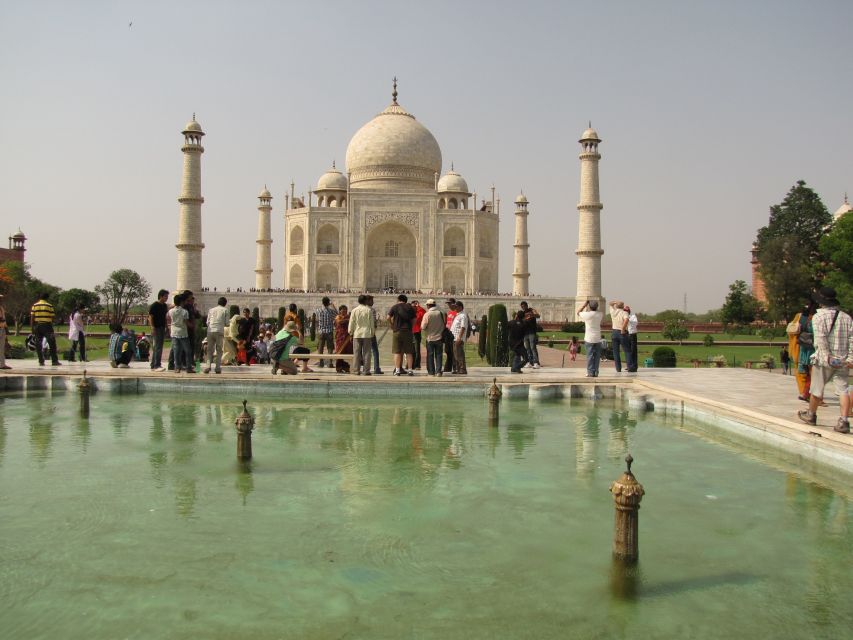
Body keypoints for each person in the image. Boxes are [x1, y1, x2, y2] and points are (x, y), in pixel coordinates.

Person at [797, 287, 852, 434]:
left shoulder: (818, 317)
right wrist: (850, 358)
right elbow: (852, 339)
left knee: (816, 389)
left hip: (824, 360)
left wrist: (827, 357)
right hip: (843, 360)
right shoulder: (846, 317)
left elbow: (820, 339)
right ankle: (844, 421)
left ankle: (811, 415)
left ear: (821, 302)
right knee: (843, 390)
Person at [789, 301, 817, 401]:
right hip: (812, 347)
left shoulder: (799, 316)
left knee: (802, 371)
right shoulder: (815, 318)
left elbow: (791, 331)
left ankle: (804, 392)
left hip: (800, 346)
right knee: (813, 372)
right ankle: (808, 393)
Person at [388, 294, 416, 376]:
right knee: (409, 352)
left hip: (397, 331)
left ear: (398, 299)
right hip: (408, 331)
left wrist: (392, 325)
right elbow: (414, 319)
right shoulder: (410, 307)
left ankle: (397, 370)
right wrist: (411, 326)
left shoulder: (395, 307)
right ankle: (410, 370)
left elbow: (388, 317)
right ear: (406, 300)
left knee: (397, 351)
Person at [30, 291, 60, 367]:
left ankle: (41, 361)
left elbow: (32, 317)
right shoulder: (49, 306)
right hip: (47, 326)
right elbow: (52, 317)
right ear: (47, 298)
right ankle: (54, 361)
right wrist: (54, 322)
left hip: (37, 326)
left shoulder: (35, 305)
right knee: (52, 343)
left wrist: (32, 328)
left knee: (38, 343)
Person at [349, 294, 374, 375]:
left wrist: (350, 333)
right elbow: (372, 324)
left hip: (357, 334)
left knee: (356, 353)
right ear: (365, 301)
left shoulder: (354, 310)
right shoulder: (369, 310)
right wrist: (372, 333)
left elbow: (351, 322)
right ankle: (366, 370)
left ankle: (356, 370)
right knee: (367, 353)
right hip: (366, 334)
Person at [578, 300, 604, 377]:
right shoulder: (600, 314)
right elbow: (598, 311)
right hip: (597, 338)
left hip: (589, 338)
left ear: (589, 307)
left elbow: (578, 312)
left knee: (590, 356)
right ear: (597, 307)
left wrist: (584, 305)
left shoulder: (587, 315)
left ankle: (590, 372)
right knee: (597, 356)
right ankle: (596, 372)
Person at [420, 298, 445, 376]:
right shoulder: (441, 313)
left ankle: (431, 372)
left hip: (430, 338)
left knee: (430, 355)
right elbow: (444, 324)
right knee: (439, 355)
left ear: (428, 305)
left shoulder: (427, 314)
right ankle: (438, 371)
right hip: (440, 337)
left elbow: (423, 327)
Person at [204, 296, 229, 374]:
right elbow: (227, 323)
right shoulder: (225, 310)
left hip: (210, 330)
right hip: (219, 331)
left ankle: (208, 366)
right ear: (225, 304)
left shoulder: (211, 310)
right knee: (219, 350)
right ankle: (217, 368)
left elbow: (207, 322)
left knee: (209, 350)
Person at [168, 292, 192, 373]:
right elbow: (186, 322)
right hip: (183, 332)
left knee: (176, 351)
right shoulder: (184, 311)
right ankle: (188, 367)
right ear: (182, 302)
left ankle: (177, 367)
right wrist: (191, 325)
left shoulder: (171, 311)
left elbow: (168, 318)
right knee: (187, 350)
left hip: (174, 332)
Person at [148, 289, 169, 372]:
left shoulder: (164, 306)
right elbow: (150, 317)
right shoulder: (154, 305)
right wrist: (152, 327)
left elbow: (165, 317)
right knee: (157, 347)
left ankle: (154, 364)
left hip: (162, 327)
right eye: (165, 296)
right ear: (161, 296)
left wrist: (166, 326)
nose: (167, 298)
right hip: (156, 328)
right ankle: (157, 365)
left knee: (158, 346)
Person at [314, 296, 337, 368]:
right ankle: (330, 363)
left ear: (322, 303)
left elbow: (316, 319)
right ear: (328, 303)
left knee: (320, 347)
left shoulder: (318, 311)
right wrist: (333, 305)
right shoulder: (331, 311)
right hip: (329, 331)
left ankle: (321, 362)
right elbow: (337, 315)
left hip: (321, 331)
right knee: (330, 348)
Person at [608, 301, 629, 373]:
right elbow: (626, 320)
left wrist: (615, 302)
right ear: (623, 306)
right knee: (627, 350)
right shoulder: (624, 313)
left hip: (614, 332)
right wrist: (623, 329)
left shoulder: (613, 312)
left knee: (616, 352)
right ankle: (629, 367)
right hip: (622, 332)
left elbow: (610, 303)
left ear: (616, 306)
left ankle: (618, 369)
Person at [449, 300, 469, 375]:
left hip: (458, 338)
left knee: (459, 354)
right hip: (454, 337)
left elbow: (463, 327)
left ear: (460, 307)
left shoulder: (463, 316)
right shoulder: (458, 315)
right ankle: (458, 369)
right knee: (456, 354)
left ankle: (462, 369)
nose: (455, 308)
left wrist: (459, 337)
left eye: (456, 307)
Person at [519, 301, 541, 369]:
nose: (523, 308)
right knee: (527, 349)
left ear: (526, 306)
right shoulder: (522, 313)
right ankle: (530, 362)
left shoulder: (531, 310)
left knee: (533, 347)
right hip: (525, 333)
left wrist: (532, 315)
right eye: (522, 307)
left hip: (532, 332)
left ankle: (536, 363)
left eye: (524, 306)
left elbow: (538, 316)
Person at [508, 309, 529, 373]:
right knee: (526, 358)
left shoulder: (511, 322)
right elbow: (526, 331)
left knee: (518, 354)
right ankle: (517, 367)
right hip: (519, 344)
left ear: (516, 315)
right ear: (523, 317)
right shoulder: (524, 324)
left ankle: (514, 368)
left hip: (511, 343)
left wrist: (515, 319)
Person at [367, 295, 383, 374]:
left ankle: (362, 368)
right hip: (370, 333)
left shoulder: (357, 309)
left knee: (363, 351)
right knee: (375, 351)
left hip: (361, 334)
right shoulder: (371, 310)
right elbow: (373, 322)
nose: (373, 302)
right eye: (372, 301)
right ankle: (376, 368)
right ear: (368, 301)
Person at [334, 304, 353, 373]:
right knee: (339, 352)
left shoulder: (348, 316)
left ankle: (345, 366)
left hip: (347, 337)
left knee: (347, 352)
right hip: (340, 337)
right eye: (343, 309)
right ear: (340, 311)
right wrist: (348, 320)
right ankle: (339, 367)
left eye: (345, 309)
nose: (344, 311)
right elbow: (339, 322)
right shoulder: (338, 317)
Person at [442, 298, 457, 373]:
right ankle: (448, 367)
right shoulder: (449, 312)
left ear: (454, 304)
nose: (449, 305)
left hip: (454, 333)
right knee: (448, 351)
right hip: (448, 333)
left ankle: (455, 368)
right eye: (448, 303)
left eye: (450, 303)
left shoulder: (457, 313)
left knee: (454, 352)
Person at [411, 300, 426, 370]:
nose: (413, 307)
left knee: (417, 349)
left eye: (415, 306)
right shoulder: (410, 312)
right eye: (412, 306)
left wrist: (418, 307)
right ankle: (411, 364)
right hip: (410, 332)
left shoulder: (419, 312)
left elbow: (423, 313)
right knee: (411, 349)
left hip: (417, 332)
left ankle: (417, 365)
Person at [625, 305, 639, 372]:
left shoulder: (633, 316)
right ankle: (629, 365)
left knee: (633, 351)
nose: (626, 312)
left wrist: (627, 319)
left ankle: (634, 366)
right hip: (626, 334)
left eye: (627, 311)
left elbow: (635, 323)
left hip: (632, 335)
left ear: (629, 311)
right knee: (628, 351)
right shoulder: (624, 316)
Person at [0, 293, 10, 370]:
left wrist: (6, 329)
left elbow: (3, 319)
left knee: (1, 347)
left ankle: (2, 364)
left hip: (2, 328)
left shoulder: (1, 308)